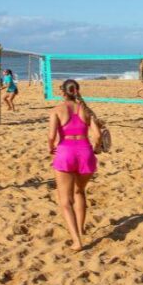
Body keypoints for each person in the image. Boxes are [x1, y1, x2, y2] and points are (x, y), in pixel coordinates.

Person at [48, 79, 101, 251]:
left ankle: (77, 241)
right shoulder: (85, 110)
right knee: (80, 191)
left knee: (65, 201)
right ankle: (81, 227)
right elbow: (98, 135)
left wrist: (51, 148)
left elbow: (51, 136)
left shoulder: (57, 110)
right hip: (85, 151)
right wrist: (97, 149)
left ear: (63, 92)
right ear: (77, 91)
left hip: (66, 151)